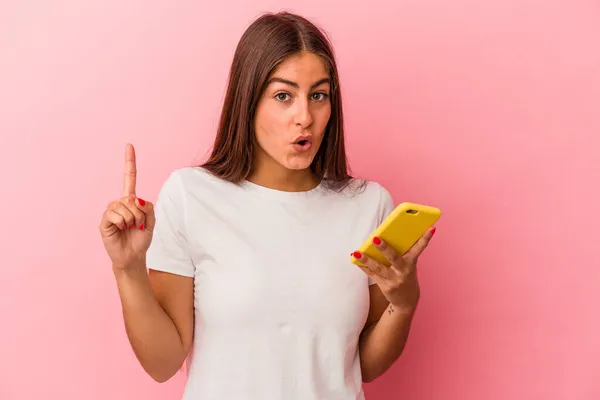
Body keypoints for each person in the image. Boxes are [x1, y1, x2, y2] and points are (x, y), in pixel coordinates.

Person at [99, 11, 436, 400]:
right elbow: (162, 364)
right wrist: (127, 270)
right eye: (283, 96)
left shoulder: (367, 204)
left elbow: (365, 366)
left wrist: (404, 303)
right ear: (249, 100)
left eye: (318, 95)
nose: (304, 117)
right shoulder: (191, 196)